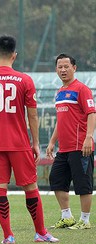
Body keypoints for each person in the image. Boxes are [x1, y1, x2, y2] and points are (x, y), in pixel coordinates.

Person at [0, 35, 59, 244]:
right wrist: (36, 143)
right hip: (19, 143)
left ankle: (8, 236)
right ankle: (40, 232)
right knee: (30, 187)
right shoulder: (25, 80)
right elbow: (32, 115)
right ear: (14, 55)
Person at [46, 53, 96, 230]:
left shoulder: (82, 89)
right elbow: (61, 121)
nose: (63, 70)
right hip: (64, 148)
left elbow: (92, 113)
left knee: (83, 184)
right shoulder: (60, 93)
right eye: (60, 67)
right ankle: (67, 217)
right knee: (56, 179)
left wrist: (89, 137)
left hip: (81, 146)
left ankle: (85, 220)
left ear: (74, 68)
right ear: (56, 70)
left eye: (66, 66)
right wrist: (52, 142)